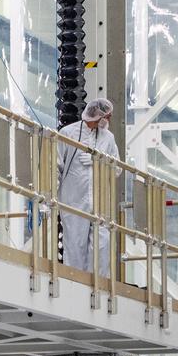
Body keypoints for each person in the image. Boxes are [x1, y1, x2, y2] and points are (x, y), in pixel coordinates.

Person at [57, 98, 118, 276]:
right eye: (108, 116)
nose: (109, 120)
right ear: (99, 116)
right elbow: (56, 166)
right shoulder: (68, 133)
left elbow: (118, 169)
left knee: (103, 245)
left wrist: (99, 161)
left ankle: (100, 286)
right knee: (75, 246)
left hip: (100, 204)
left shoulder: (108, 138)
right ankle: (75, 283)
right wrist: (49, 197)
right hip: (74, 202)